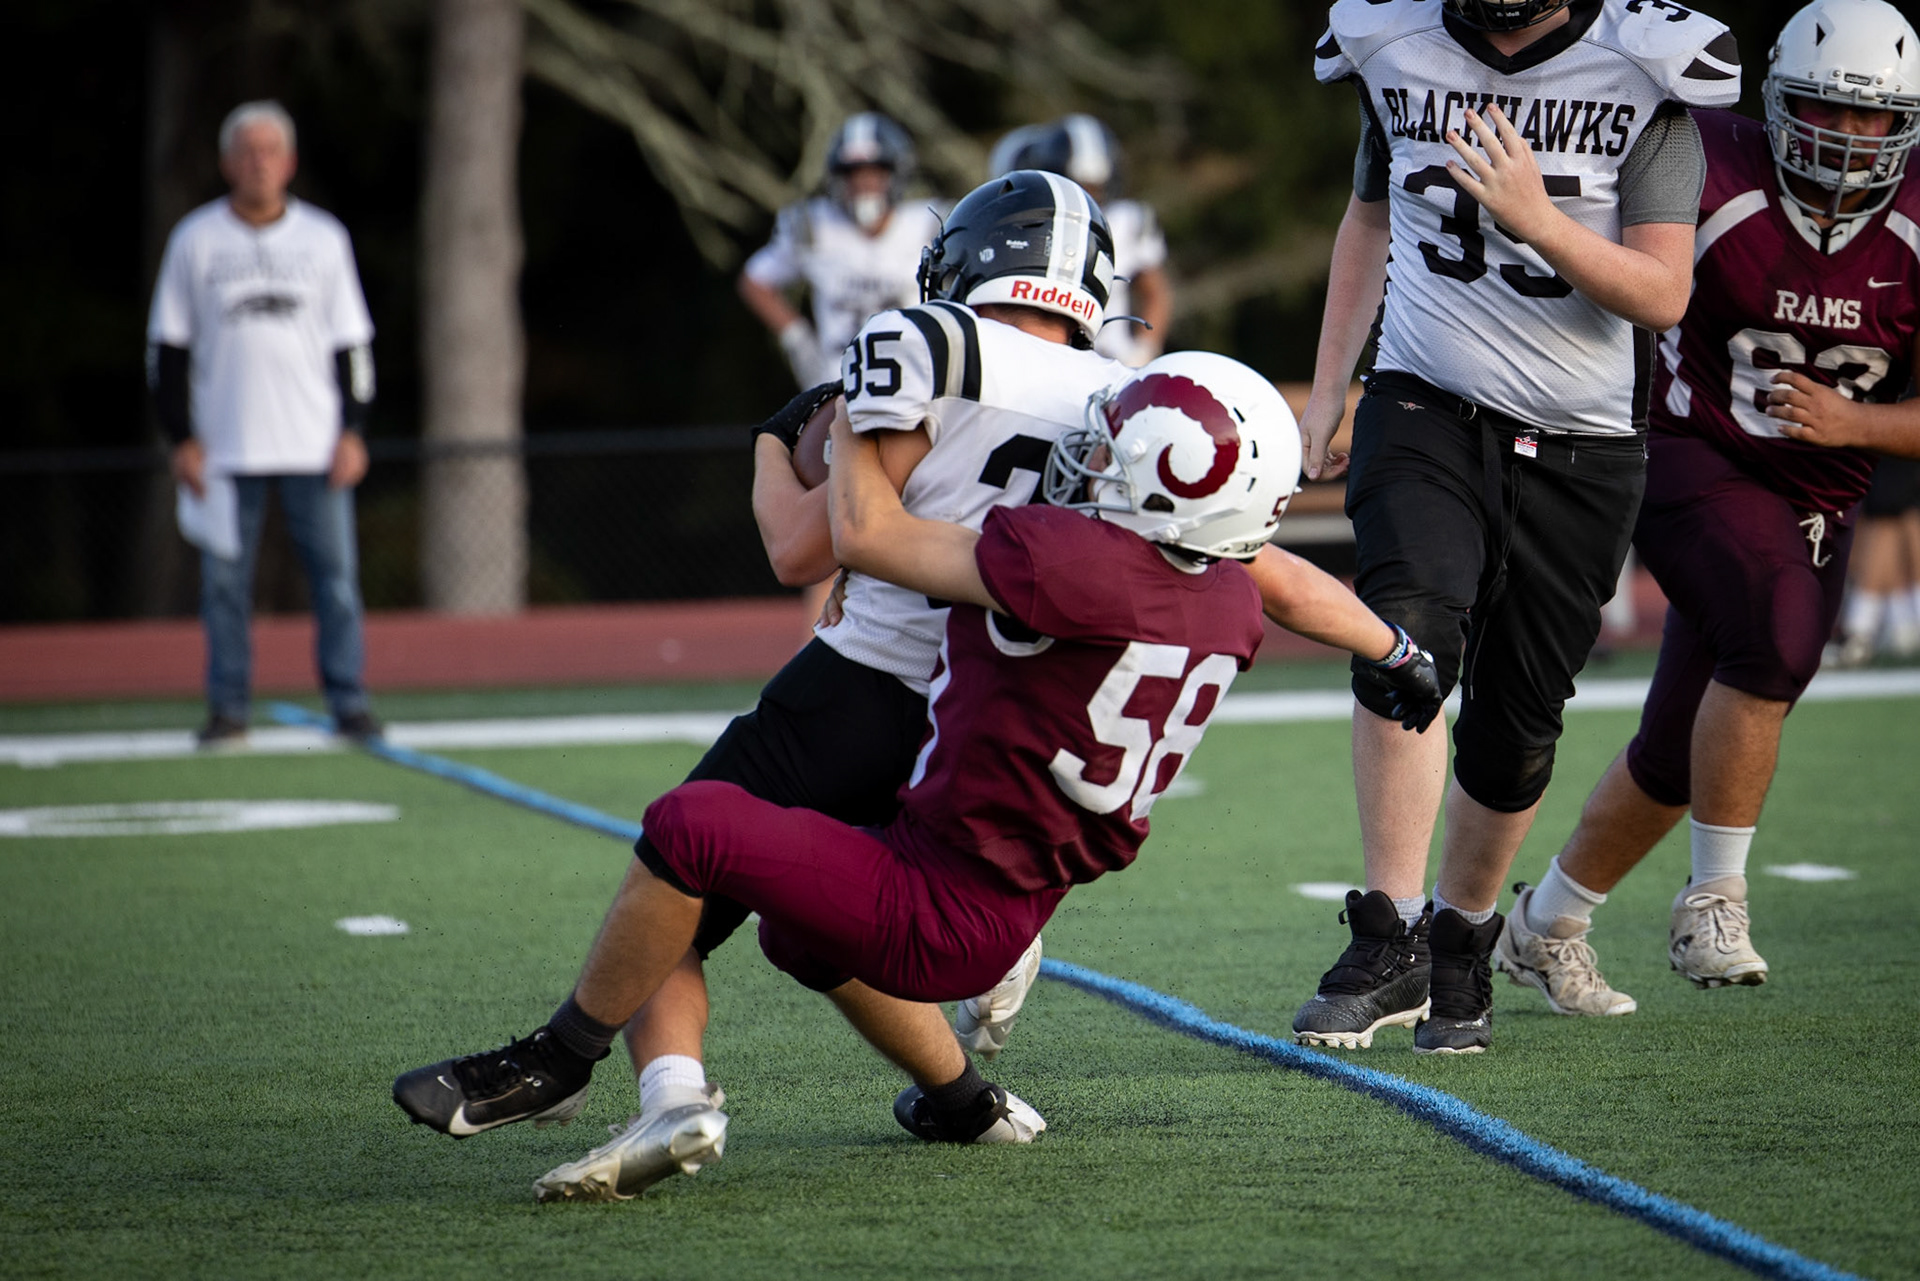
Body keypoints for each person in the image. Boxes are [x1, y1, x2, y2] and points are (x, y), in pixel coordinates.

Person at [390, 347, 1296, 1198]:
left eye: (1111, 453)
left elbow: (856, 534)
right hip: (1007, 882)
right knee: (799, 935)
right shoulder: (1228, 599)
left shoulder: (1066, 563)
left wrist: (860, 416)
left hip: (944, 892)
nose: (1085, 457)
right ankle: (962, 1104)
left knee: (689, 824)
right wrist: (1397, 645)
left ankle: (560, 1054)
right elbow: (1281, 578)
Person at [1292, 0, 1740, 1054]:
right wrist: (1330, 388)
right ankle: (1392, 931)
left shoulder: (1646, 65)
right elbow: (1371, 214)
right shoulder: (1387, 35)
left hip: (1581, 437)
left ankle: (1462, 934)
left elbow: (1665, 295)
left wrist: (1541, 219)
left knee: (1517, 722)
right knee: (1404, 630)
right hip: (1424, 399)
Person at [1496, 0, 1920, 1013]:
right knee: (1776, 644)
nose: (1852, 139)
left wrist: (1855, 427)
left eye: (1874, 120)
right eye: (1830, 110)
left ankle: (1546, 924)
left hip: (1819, 484)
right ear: (1778, 100)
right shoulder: (1710, 159)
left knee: (1687, 740)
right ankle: (1714, 900)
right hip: (1686, 449)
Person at [146, 100, 381, 747]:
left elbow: (353, 346)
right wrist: (181, 438)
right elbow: (166, 348)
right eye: (246, 151)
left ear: (290, 162)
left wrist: (353, 429)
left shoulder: (323, 240)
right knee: (224, 588)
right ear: (227, 163)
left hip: (314, 445)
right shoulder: (196, 241)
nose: (258, 162)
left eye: (270, 150)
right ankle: (229, 709)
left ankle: (349, 701)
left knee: (335, 582)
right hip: (224, 450)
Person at [738, 113, 945, 388]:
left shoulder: (929, 223)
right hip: (839, 380)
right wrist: (797, 337)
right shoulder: (815, 225)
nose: (864, 184)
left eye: (875, 172)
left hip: (916, 376)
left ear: (896, 173)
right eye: (854, 174)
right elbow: (755, 281)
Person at [1008, 115, 1173, 368]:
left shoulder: (1128, 222)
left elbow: (1154, 292)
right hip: (1041, 353)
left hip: (1109, 357)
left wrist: (1144, 349)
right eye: (1079, 184)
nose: (1087, 195)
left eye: (1095, 187)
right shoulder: (1027, 218)